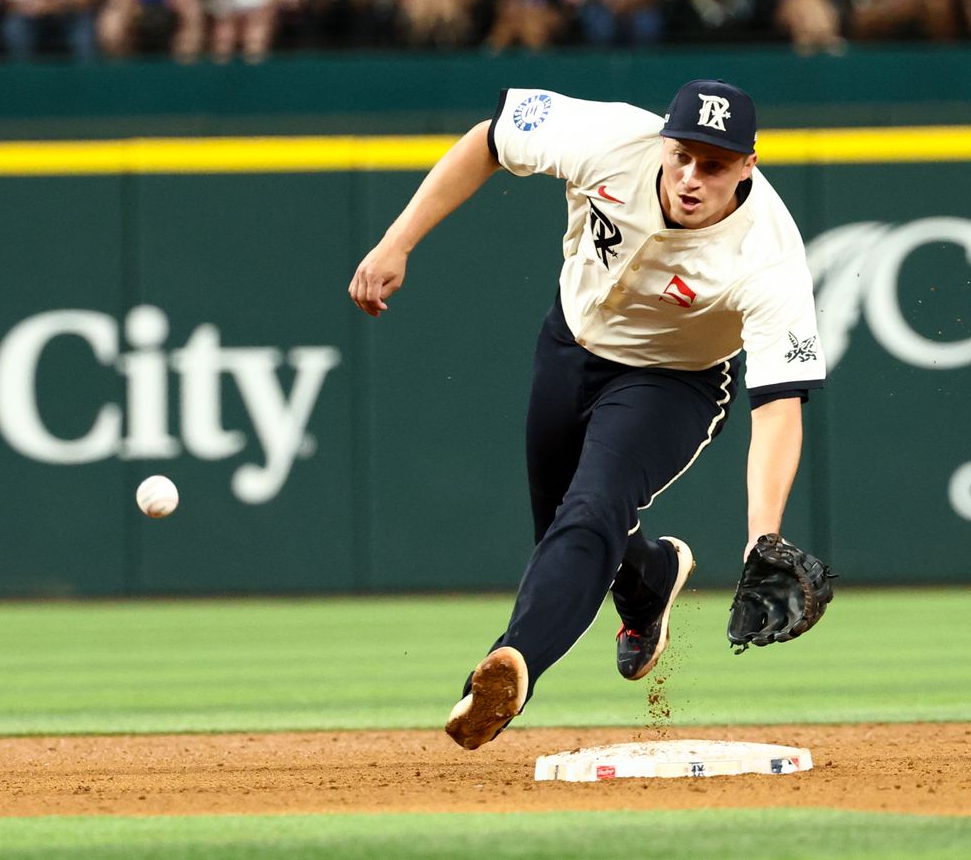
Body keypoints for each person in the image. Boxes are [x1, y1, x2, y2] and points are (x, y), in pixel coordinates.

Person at [348, 80, 825, 751]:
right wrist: (398, 241)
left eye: (714, 164)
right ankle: (648, 579)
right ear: (663, 140)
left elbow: (778, 408)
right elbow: (490, 137)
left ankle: (507, 668)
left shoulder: (770, 256)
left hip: (673, 382)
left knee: (592, 509)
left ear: (748, 164)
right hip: (569, 343)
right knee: (565, 532)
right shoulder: (610, 139)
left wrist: (761, 537)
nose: (691, 177)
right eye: (682, 154)